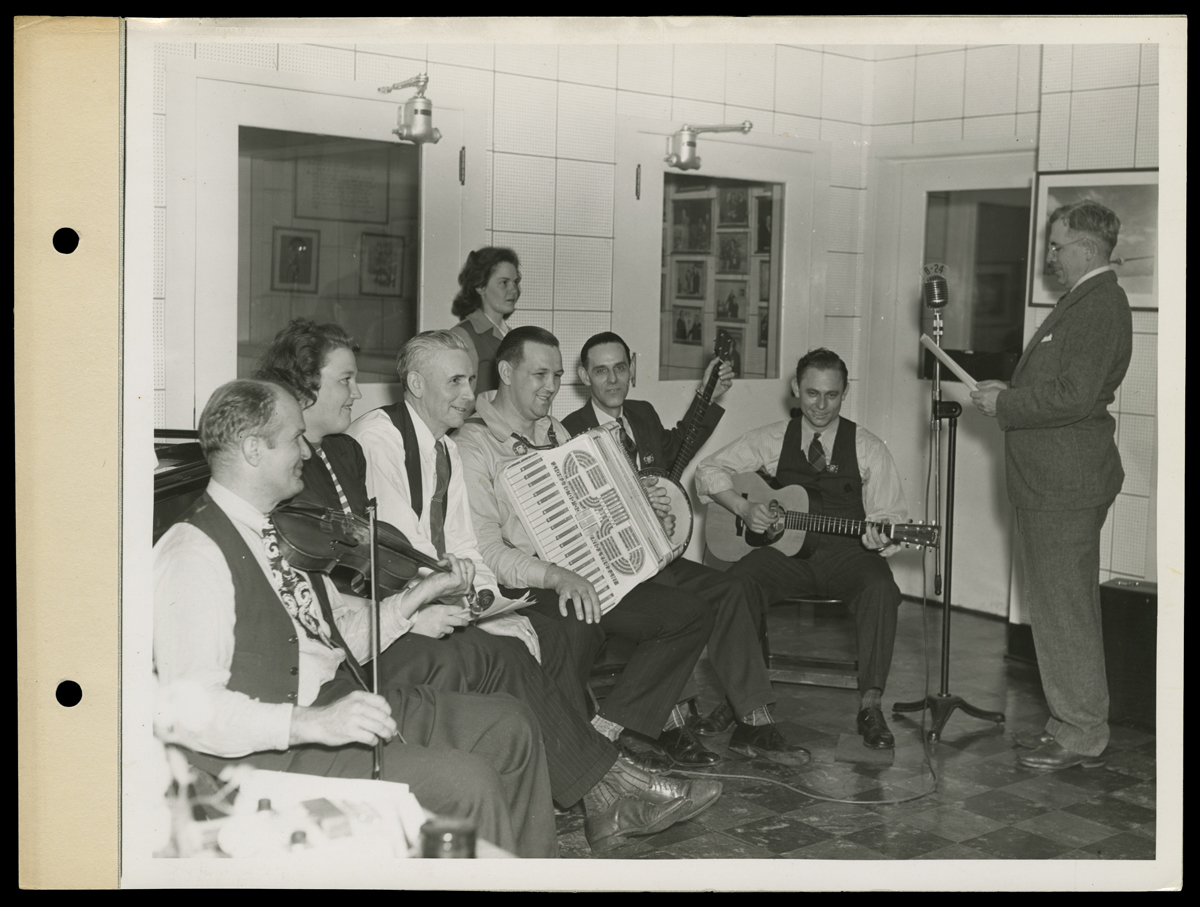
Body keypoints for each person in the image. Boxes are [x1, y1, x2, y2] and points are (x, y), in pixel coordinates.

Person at [256, 321, 720, 852]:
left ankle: (600, 782)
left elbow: (461, 550)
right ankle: (607, 785)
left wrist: (490, 604)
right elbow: (391, 559)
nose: (466, 394)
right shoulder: (366, 443)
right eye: (454, 382)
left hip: (403, 613)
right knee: (513, 650)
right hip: (377, 636)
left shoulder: (364, 453)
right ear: (418, 387)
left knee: (539, 637)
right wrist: (428, 609)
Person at [153, 379, 555, 857]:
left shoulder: (274, 529)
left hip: (338, 700)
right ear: (254, 449)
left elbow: (340, 641)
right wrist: (312, 724)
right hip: (270, 756)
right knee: (467, 783)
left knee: (510, 727)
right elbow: (190, 714)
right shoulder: (192, 555)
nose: (307, 450)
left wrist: (413, 601)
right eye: (295, 439)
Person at [563, 332, 810, 765]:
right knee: (676, 601)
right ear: (584, 376)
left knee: (730, 590)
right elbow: (581, 517)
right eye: (601, 370)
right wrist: (635, 502)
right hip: (618, 572)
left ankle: (754, 722)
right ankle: (673, 724)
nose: (613, 379)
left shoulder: (641, 414)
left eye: (620, 367)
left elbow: (673, 454)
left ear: (633, 368)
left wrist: (708, 396)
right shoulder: (570, 433)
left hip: (660, 560)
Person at [970, 200, 1133, 771]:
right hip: (1054, 482)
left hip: (1065, 485)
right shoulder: (1085, 301)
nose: (1050, 257)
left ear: (1085, 249)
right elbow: (1059, 383)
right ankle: (1071, 723)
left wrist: (1006, 403)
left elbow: (1074, 396)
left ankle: (1082, 731)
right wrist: (1005, 388)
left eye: (1057, 246)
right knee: (1059, 606)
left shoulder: (1099, 303)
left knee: (1065, 610)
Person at [695, 348, 908, 749]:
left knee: (881, 588)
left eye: (832, 395)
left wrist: (882, 535)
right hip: (787, 556)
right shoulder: (774, 438)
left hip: (848, 556)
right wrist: (744, 507)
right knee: (737, 583)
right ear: (796, 389)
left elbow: (890, 514)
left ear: (845, 393)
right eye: (812, 394)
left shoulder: (868, 447)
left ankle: (871, 703)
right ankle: (741, 700)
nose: (821, 405)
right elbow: (709, 470)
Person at [449, 246, 521, 398]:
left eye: (515, 282)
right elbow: (459, 399)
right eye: (504, 282)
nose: (513, 290)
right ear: (480, 286)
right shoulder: (463, 335)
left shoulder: (512, 335)